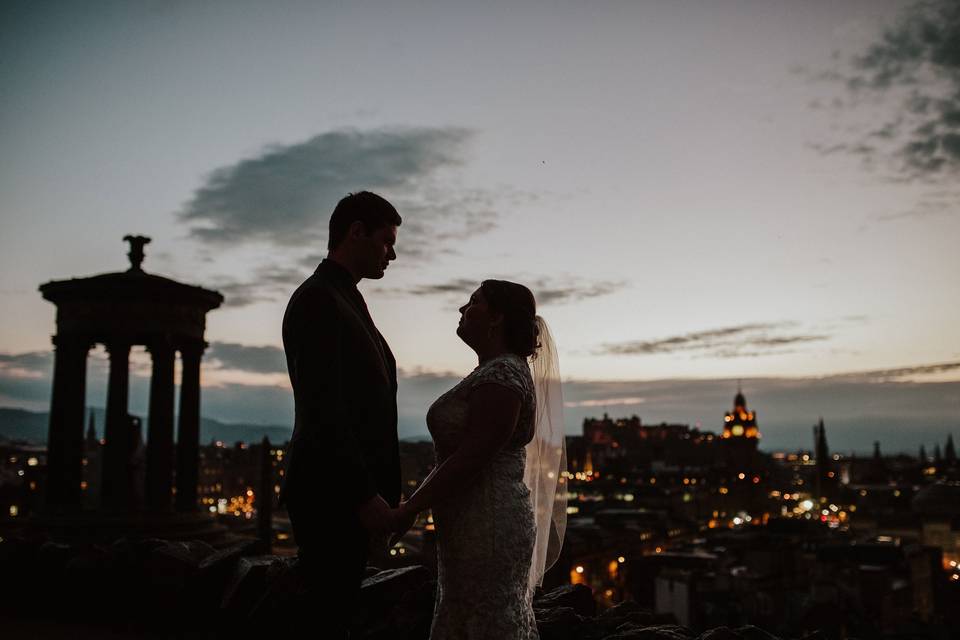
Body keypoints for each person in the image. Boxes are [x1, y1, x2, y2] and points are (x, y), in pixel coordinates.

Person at [389, 280, 567, 640]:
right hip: (472, 521)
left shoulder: (504, 375)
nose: (462, 309)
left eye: (472, 302)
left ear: (495, 318)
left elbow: (473, 456)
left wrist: (410, 508)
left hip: (489, 522)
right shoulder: (494, 372)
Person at [278, 191, 401, 638]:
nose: (393, 253)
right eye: (386, 241)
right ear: (356, 232)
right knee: (326, 618)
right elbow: (323, 408)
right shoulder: (318, 299)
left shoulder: (341, 296)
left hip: (339, 494)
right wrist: (365, 495)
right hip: (330, 496)